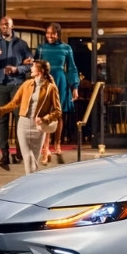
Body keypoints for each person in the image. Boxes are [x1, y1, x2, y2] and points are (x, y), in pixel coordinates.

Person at [0, 60, 61, 175]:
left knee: (35, 159)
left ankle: (32, 185)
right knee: (28, 156)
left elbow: (58, 111)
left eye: (33, 67)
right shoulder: (27, 84)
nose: (31, 69)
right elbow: (14, 103)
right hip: (23, 124)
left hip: (38, 127)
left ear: (41, 71)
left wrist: (45, 119)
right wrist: (0, 110)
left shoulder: (51, 88)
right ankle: (30, 183)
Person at [0, 16, 34, 170]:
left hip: (17, 85)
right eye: (2, 24)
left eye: (7, 24)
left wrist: (17, 69)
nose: (4, 27)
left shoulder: (22, 44)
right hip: (0, 85)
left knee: (20, 118)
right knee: (2, 120)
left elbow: (31, 64)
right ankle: (4, 153)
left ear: (12, 26)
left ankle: (20, 151)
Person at [34, 23, 79, 164]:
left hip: (60, 81)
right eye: (48, 33)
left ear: (58, 34)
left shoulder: (66, 48)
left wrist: (75, 87)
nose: (50, 36)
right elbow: (35, 65)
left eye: (53, 33)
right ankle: (45, 148)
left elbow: (72, 68)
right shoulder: (41, 48)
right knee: (44, 113)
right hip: (44, 81)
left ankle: (57, 144)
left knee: (58, 114)